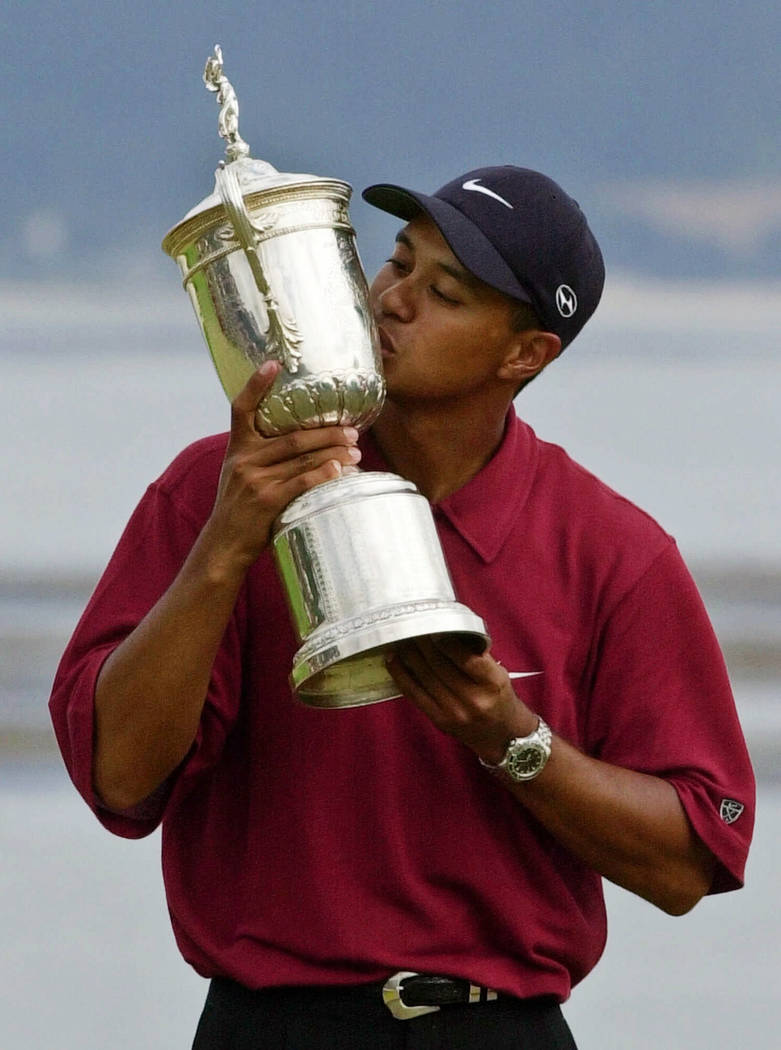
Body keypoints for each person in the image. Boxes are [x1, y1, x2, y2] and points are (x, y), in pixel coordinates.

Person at [49, 165, 755, 1049]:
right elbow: (117, 779)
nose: (391, 299)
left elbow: (691, 861)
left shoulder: (613, 551)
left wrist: (511, 739)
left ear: (524, 354)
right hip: (265, 1027)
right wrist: (227, 545)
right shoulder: (222, 487)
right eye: (396, 262)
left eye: (445, 292)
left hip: (497, 1032)